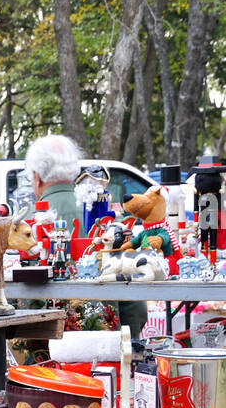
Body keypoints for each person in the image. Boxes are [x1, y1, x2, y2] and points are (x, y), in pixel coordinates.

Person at [23, 134, 146, 338]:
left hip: (44, 355)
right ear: (72, 170)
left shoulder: (26, 226)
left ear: (36, 177)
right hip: (105, 347)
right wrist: (125, 346)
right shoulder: (108, 221)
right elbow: (135, 306)